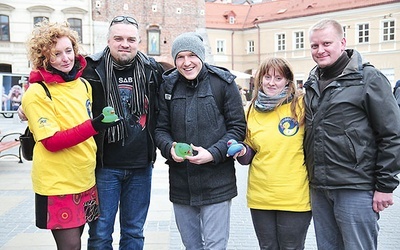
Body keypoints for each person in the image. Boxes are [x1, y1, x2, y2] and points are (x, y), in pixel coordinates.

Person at [21, 20, 120, 250]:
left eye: (69, 51)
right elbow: (52, 142)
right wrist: (95, 125)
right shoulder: (37, 93)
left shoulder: (82, 84)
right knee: (71, 247)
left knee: (83, 241)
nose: (66, 58)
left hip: (85, 178)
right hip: (57, 184)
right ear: (44, 58)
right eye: (57, 54)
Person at [304, 19, 400, 249]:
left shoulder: (368, 78)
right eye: (314, 45)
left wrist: (385, 186)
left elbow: (392, 134)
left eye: (326, 43)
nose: (320, 50)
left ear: (342, 42)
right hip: (320, 187)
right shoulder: (312, 81)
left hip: (355, 186)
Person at [155, 32, 246, 249]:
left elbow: (237, 128)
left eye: (192, 55)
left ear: (201, 56)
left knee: (215, 245)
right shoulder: (168, 86)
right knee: (191, 245)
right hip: (181, 184)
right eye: (180, 57)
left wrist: (213, 153)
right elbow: (160, 130)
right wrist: (170, 148)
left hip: (217, 182)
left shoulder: (222, 84)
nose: (187, 63)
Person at [82, 15, 164, 249]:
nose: (124, 44)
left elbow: (175, 91)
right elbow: (61, 87)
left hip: (141, 166)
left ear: (139, 42)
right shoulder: (90, 68)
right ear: (108, 41)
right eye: (118, 38)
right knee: (99, 233)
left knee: (134, 232)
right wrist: (27, 104)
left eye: (130, 39)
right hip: (103, 166)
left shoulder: (151, 69)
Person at [235, 57, 311, 249]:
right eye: (267, 77)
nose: (271, 82)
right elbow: (250, 150)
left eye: (278, 78)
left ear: (288, 80)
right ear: (260, 79)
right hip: (261, 195)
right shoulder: (250, 110)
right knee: (267, 247)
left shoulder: (301, 105)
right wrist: (241, 151)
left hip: (295, 196)